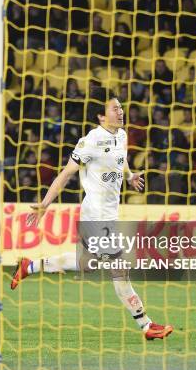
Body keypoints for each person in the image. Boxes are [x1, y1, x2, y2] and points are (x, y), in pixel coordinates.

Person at [10, 88, 174, 341]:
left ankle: (29, 266)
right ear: (100, 116)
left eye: (120, 107)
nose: (120, 111)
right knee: (119, 269)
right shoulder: (91, 141)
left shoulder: (121, 135)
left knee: (86, 264)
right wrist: (44, 204)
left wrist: (129, 176)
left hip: (109, 213)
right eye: (114, 108)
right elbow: (65, 174)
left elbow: (121, 159)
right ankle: (146, 325)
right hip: (96, 214)